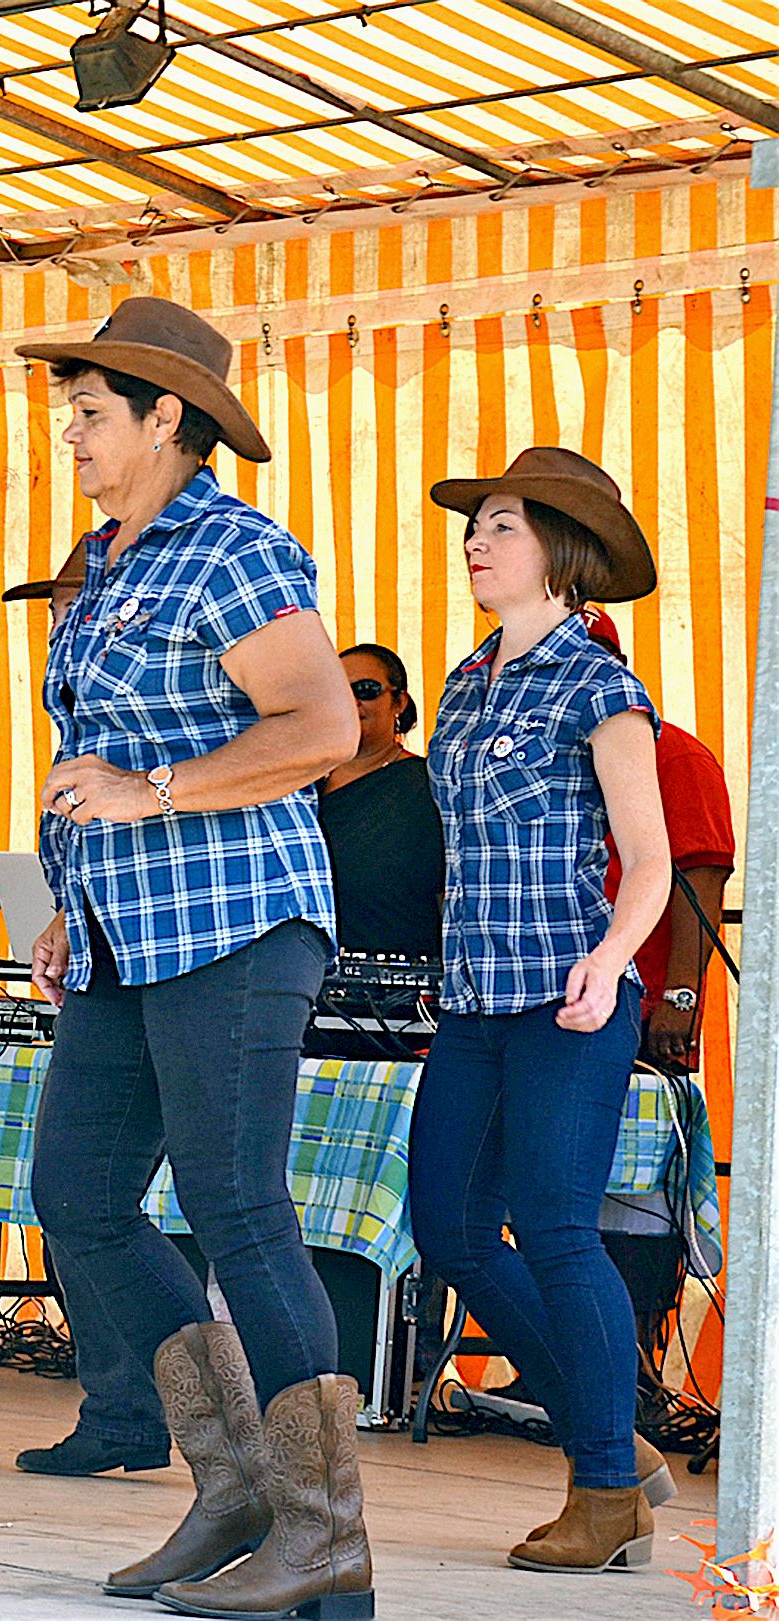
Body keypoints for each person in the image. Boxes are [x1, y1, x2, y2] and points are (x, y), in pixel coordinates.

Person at [17, 297, 373, 1619]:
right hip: (122, 934)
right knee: (81, 1194)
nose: (70, 435)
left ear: (167, 416)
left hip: (236, 921)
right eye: (69, 412)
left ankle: (325, 1534)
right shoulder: (106, 561)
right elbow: (90, 771)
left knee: (238, 1207)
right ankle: (235, 1488)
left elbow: (322, 723)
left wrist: (153, 788)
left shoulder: (229, 546)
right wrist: (68, 900)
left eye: (91, 414)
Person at [410, 448, 676, 1573]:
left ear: (562, 552)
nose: (476, 542)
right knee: (449, 1229)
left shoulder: (602, 686)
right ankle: (612, 1427)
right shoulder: (466, 683)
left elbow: (652, 862)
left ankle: (606, 1487)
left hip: (571, 992)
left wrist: (613, 959)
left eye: (502, 526)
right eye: (475, 527)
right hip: (471, 994)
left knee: (559, 1225)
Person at [1, 549, 180, 1481]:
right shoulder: (74, 736)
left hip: (189, 964)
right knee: (71, 1193)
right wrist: (62, 920)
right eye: (56, 604)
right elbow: (83, 861)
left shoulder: (166, 718)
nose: (61, 621)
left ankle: (225, 1426)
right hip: (105, 967)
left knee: (235, 1211)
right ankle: (123, 1408)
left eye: (76, 603)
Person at [581, 608, 736, 1075]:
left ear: (620, 667)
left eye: (595, 659)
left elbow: (702, 880)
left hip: (641, 1009)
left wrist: (680, 996)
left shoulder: (675, 754)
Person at [316, 643, 445, 958]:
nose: (352, 701)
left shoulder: (428, 786)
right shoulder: (300, 784)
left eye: (366, 690)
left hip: (402, 985)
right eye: (338, 691)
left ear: (398, 702)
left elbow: (449, 894)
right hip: (308, 977)